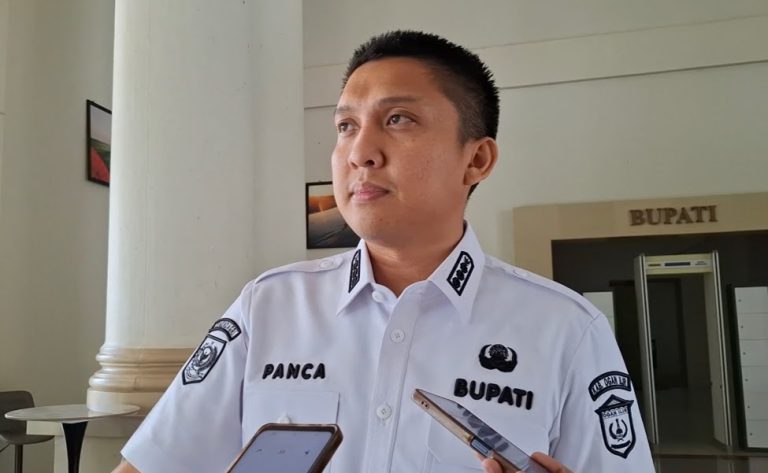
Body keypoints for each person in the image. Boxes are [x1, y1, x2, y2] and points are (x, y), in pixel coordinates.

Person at [113, 30, 654, 473]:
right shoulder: (269, 307)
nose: (360, 152)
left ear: (477, 160)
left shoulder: (566, 330)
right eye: (346, 126)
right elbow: (152, 464)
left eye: (398, 120)